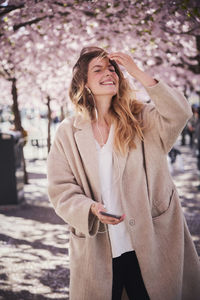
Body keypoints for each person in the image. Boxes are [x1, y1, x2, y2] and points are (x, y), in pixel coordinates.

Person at [47, 46, 200, 300]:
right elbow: (61, 189)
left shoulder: (140, 117)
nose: (109, 73)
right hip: (99, 249)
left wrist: (137, 72)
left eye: (112, 69)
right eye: (98, 69)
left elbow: (179, 113)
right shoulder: (67, 132)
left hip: (151, 241)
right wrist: (90, 208)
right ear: (84, 83)